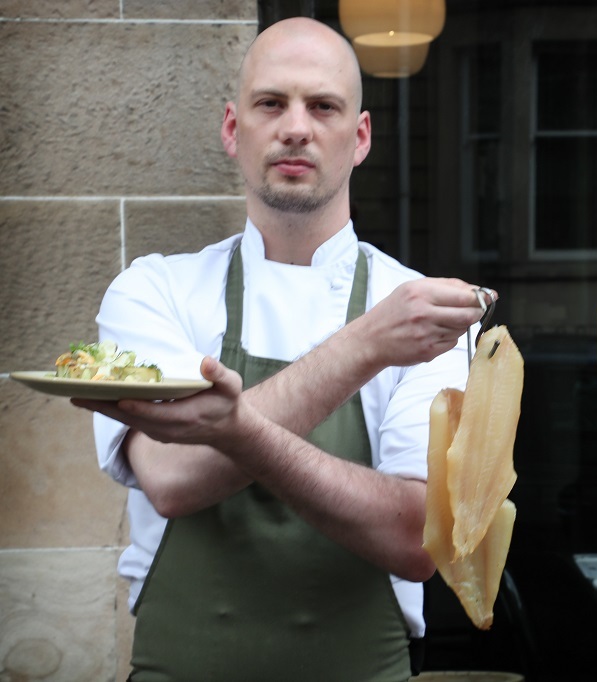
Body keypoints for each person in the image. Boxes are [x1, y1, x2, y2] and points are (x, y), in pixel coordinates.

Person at [73, 17, 495, 682]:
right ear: (232, 130)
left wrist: (230, 428)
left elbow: (418, 543)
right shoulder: (154, 291)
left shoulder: (422, 312)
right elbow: (173, 480)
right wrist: (362, 347)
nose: (295, 127)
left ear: (359, 138)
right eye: (271, 103)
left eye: (322, 106)